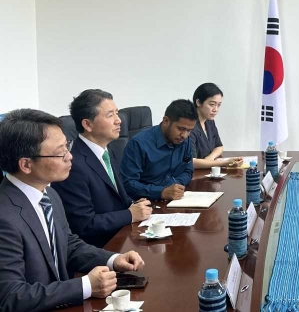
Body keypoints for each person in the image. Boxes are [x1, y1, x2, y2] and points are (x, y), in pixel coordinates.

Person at [0, 109, 145, 312]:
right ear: (26, 164)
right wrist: (85, 286)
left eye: (67, 146)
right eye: (60, 152)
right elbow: (11, 296)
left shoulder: (49, 195)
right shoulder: (4, 217)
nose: (70, 157)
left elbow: (68, 244)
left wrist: (112, 259)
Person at [51, 90, 152, 248]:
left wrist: (136, 204)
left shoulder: (106, 150)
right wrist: (130, 214)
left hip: (121, 237)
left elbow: (118, 199)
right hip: (100, 249)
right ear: (88, 124)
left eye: (117, 113)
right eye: (110, 115)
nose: (119, 121)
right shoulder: (73, 165)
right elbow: (84, 225)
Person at [121, 99, 197, 201]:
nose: (184, 135)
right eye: (181, 129)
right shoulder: (138, 144)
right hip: (145, 202)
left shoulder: (184, 140)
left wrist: (175, 184)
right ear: (166, 121)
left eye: (189, 131)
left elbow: (188, 170)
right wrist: (162, 191)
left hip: (174, 199)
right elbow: (128, 184)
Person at [189, 83, 242, 169]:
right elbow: (192, 162)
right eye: (212, 104)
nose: (215, 110)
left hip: (208, 171)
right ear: (198, 102)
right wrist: (223, 163)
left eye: (219, 105)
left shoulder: (209, 121)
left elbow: (219, 146)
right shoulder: (189, 125)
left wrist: (210, 158)